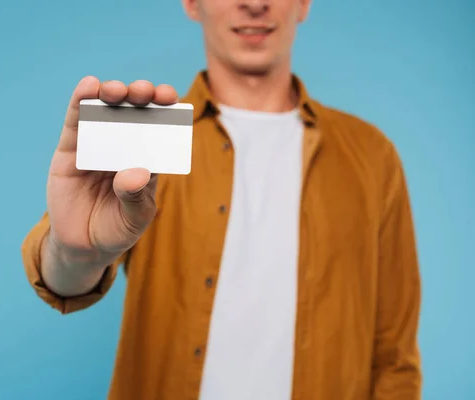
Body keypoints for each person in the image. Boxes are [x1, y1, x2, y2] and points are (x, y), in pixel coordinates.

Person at [21, 0, 422, 399]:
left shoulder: (371, 155)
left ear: (303, 4)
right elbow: (63, 277)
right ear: (192, 4)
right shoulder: (146, 137)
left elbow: (394, 357)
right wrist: (76, 254)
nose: (254, 4)